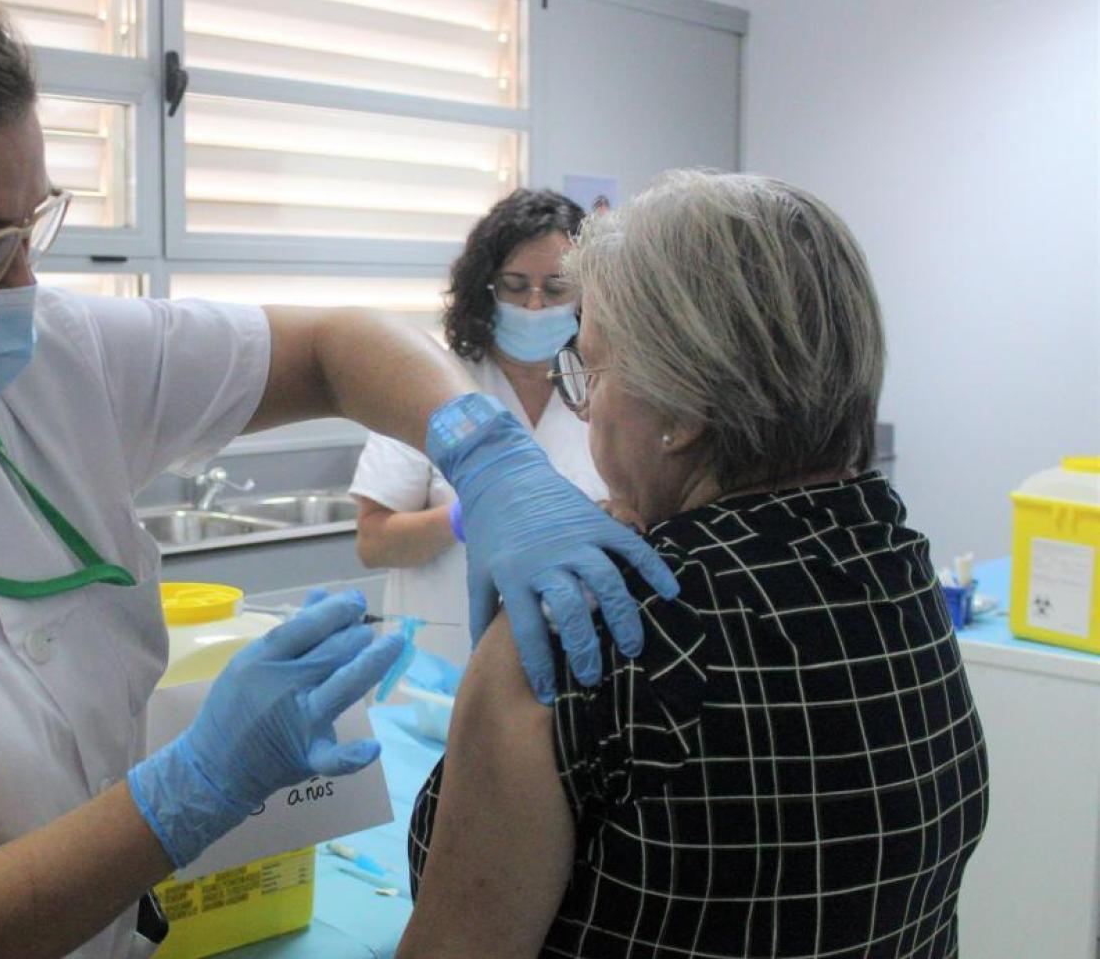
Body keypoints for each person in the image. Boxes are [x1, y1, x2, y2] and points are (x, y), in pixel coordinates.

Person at [0, 1, 679, 957]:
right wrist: (187, 792)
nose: (23, 287)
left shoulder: (55, 365)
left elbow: (333, 347)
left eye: (30, 225)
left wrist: (481, 449)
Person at [398, 170, 990, 958]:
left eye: (593, 369)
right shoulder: (897, 570)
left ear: (681, 413)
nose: (586, 404)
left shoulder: (585, 633)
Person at [350, 190, 607, 667]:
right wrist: (462, 518)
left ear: (585, 293)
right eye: (514, 285)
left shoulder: (603, 390)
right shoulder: (427, 386)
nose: (534, 306)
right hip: (439, 671)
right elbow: (374, 542)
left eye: (555, 288)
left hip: (574, 667)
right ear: (484, 287)